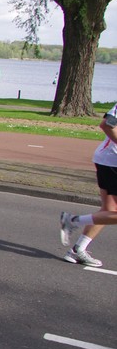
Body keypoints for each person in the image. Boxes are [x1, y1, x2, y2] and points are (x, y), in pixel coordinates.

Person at [59, 101, 117, 266]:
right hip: (112, 163)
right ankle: (73, 221)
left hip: (107, 160)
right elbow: (107, 124)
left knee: (109, 210)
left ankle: (78, 249)